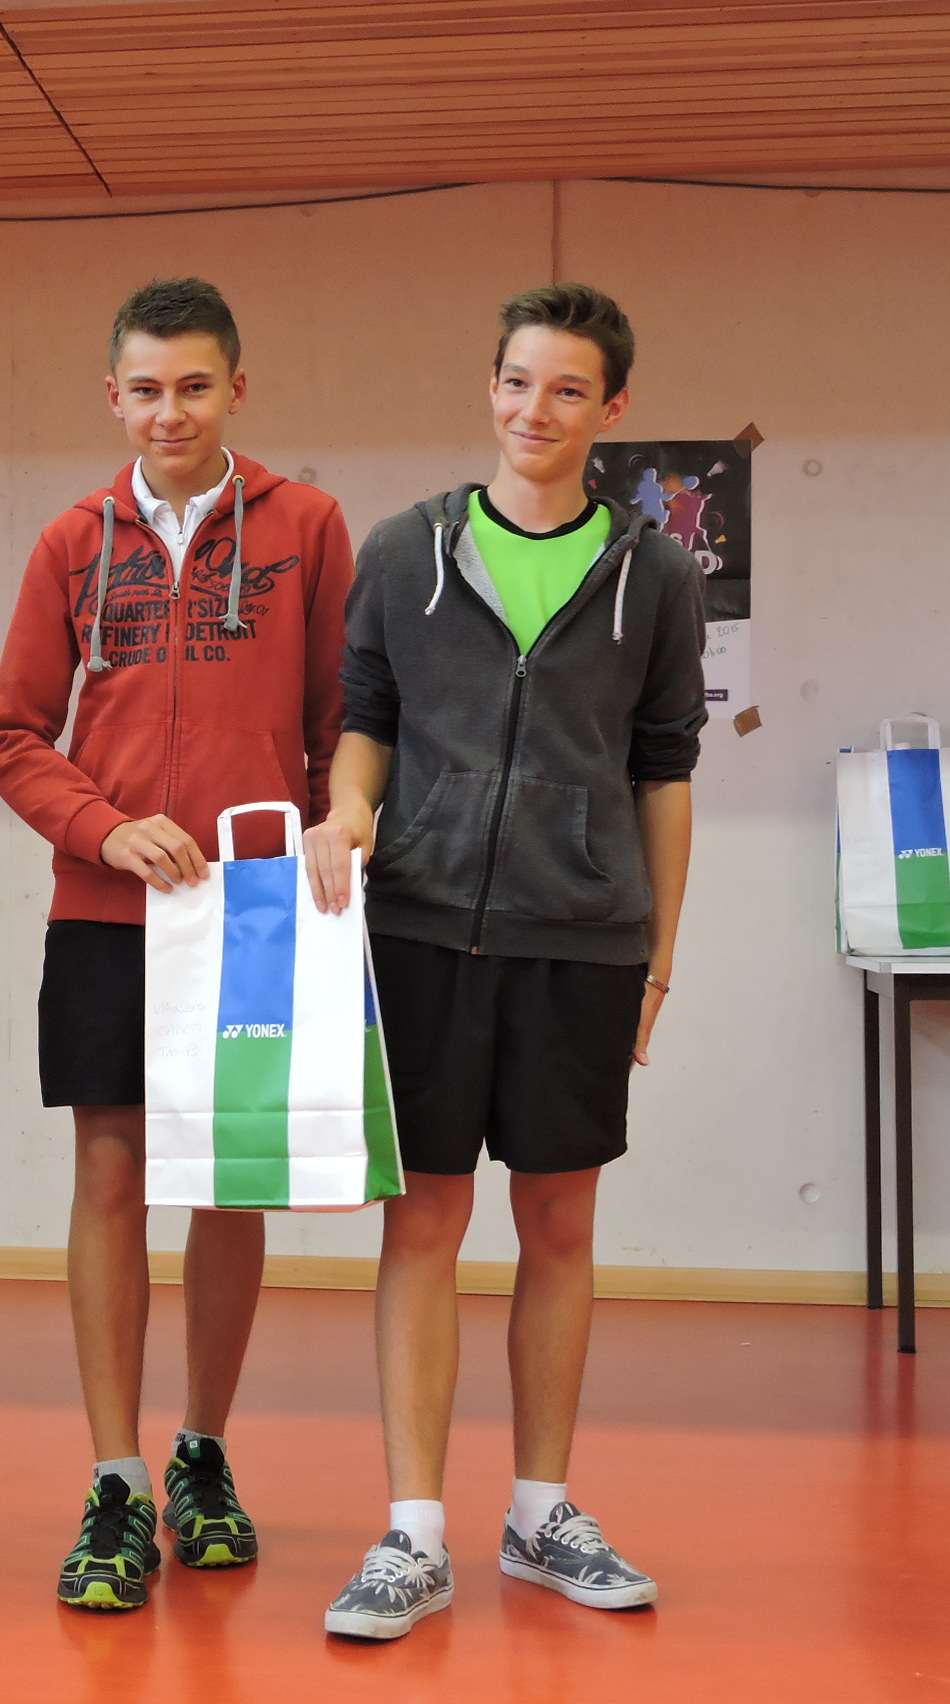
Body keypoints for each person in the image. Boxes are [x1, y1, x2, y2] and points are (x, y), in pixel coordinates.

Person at [304, 283, 703, 1640]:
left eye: (569, 389)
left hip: (582, 942)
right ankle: (413, 1533)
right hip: (420, 932)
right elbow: (365, 721)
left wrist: (656, 957)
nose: (538, 409)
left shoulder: (658, 577)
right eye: (519, 382)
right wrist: (349, 810)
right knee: (423, 1221)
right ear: (491, 388)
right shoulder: (405, 548)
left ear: (612, 409)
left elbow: (664, 772)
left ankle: (541, 1514)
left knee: (562, 1226)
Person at [0, 278, 351, 1612]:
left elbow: (342, 720)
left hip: (251, 911)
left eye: (195, 386)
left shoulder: (307, 526)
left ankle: (203, 1452)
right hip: (108, 908)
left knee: (227, 1180)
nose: (170, 411)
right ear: (113, 397)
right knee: (110, 1170)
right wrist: (103, 827)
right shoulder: (69, 542)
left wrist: (327, 837)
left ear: (236, 389)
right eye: (146, 389)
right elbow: (14, 735)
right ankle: (116, 1477)